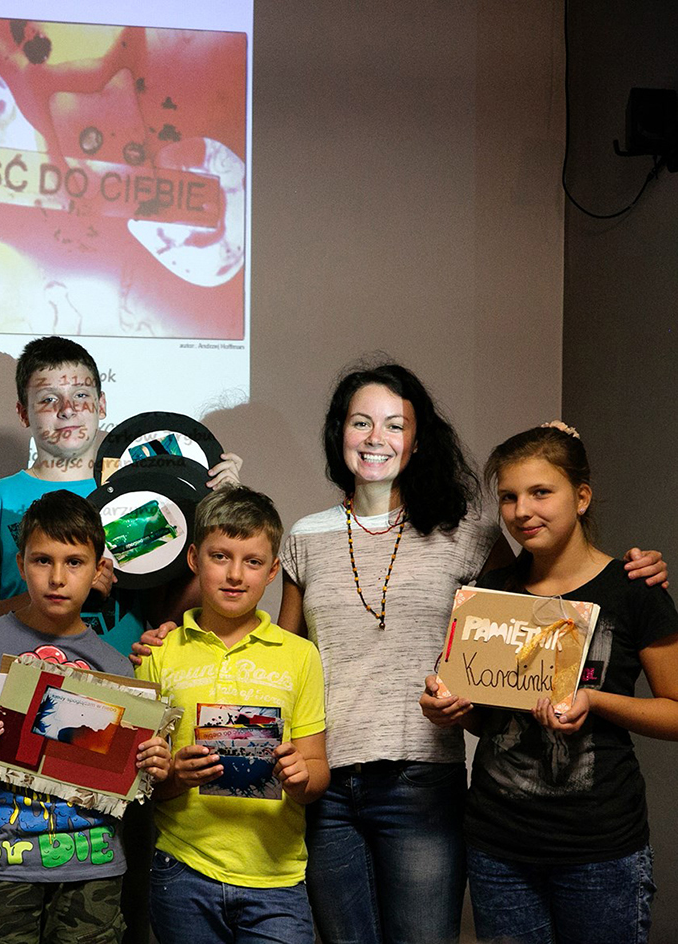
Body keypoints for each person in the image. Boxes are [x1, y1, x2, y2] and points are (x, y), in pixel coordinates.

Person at [269, 364, 667, 944]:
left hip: (424, 780)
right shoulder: (306, 536)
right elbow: (284, 658)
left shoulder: (471, 532)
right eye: (360, 422)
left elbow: (544, 594)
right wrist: (185, 634)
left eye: (394, 424)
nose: (376, 437)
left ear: (417, 440)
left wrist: (633, 570)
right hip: (327, 779)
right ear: (339, 433)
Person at [421, 424, 678, 944]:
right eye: (509, 497)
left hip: (600, 848)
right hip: (497, 846)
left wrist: (595, 701)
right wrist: (447, 707)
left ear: (581, 497)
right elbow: (485, 717)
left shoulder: (634, 590)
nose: (522, 511)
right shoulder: (489, 593)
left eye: (541, 492)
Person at [0, 489, 171, 944]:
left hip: (93, 866)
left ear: (99, 571)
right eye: (42, 561)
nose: (57, 578)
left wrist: (153, 763)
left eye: (74, 563)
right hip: (1, 862)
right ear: (21, 565)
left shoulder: (116, 666)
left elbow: (133, 780)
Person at [0, 336, 241, 655]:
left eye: (81, 396)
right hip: (28, 676)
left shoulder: (144, 494)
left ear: (102, 404)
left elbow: (175, 615)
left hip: (123, 677)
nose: (67, 410)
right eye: (48, 399)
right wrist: (43, 595)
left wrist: (220, 513)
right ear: (23, 413)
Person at [136, 485, 327, 944]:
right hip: (183, 868)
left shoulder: (300, 655)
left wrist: (301, 778)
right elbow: (141, 781)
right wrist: (175, 776)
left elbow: (317, 768)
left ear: (273, 570)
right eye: (220, 557)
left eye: (253, 561)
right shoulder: (158, 653)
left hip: (276, 876)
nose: (235, 574)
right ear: (194, 559)